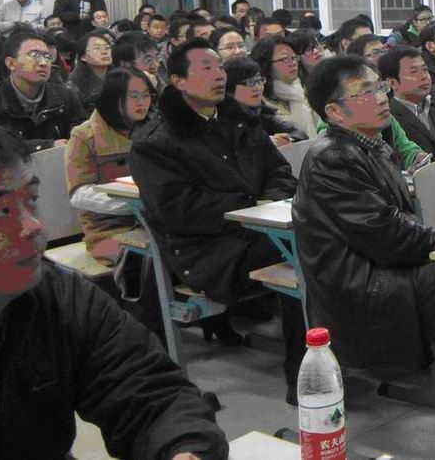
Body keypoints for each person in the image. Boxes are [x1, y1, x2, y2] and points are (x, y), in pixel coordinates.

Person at [0, 113, 227, 459]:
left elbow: (152, 394)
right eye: (0, 212)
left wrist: (184, 448)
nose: (34, 226)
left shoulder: (63, 300)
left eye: (31, 201)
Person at [290, 55, 435, 460]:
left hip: (392, 272)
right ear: (335, 112)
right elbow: (387, 235)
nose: (382, 97)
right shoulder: (331, 158)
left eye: (380, 87)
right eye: (366, 92)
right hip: (371, 289)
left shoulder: (369, 146)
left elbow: (393, 228)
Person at [129, 39, 306, 391]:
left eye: (220, 67)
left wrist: (267, 204)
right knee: (306, 250)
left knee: (322, 236)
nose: (219, 76)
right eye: (206, 68)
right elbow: (180, 211)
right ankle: (302, 374)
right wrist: (251, 207)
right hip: (207, 251)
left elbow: (280, 174)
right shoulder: (155, 143)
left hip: (259, 229)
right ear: (178, 81)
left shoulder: (239, 120)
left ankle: (341, 350)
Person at [65, 68, 153, 262]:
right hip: (107, 229)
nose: (142, 102)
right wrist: (132, 203)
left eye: (146, 95)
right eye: (134, 96)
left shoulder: (155, 129)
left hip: (155, 221)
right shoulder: (84, 136)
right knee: (149, 257)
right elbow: (79, 194)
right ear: (114, 98)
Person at [0, 31, 87, 152]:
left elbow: (85, 134)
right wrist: (46, 146)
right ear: (11, 63)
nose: (43, 63)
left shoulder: (66, 97)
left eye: (47, 57)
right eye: (34, 55)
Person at [381, 46, 435, 161]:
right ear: (392, 83)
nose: (424, 76)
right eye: (413, 72)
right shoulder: (389, 119)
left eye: (425, 69)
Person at [224, 56, 305, 147]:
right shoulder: (224, 120)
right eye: (250, 83)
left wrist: (289, 140)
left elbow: (299, 133)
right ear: (230, 88)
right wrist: (268, 143)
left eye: (259, 81)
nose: (258, 87)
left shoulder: (262, 113)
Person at [252, 34, 319, 139]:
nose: (293, 63)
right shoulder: (260, 100)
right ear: (266, 64)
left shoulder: (304, 91)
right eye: (285, 59)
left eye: (294, 57)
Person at [68, 29, 115, 108]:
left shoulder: (121, 74)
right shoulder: (74, 83)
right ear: (83, 57)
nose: (104, 52)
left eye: (107, 48)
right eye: (97, 48)